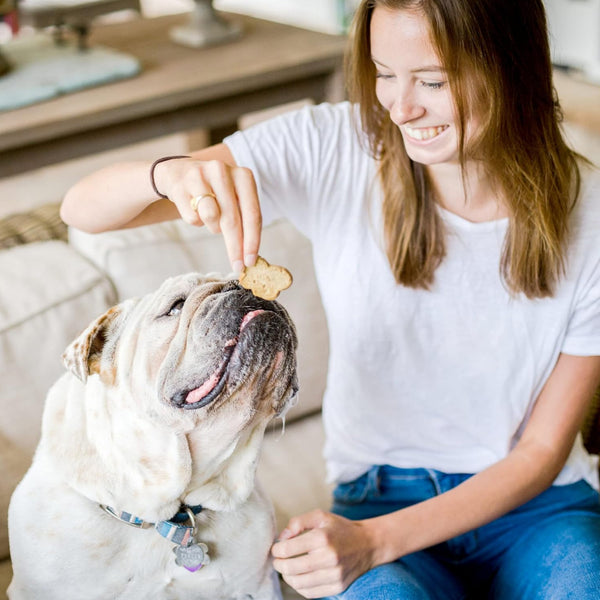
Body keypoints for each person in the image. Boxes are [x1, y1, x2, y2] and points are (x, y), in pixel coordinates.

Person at [61, 0, 600, 598]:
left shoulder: (592, 214)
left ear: (511, 67)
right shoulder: (333, 145)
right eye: (384, 72)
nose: (401, 106)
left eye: (431, 80)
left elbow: (543, 451)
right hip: (374, 494)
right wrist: (165, 174)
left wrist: (375, 543)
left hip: (538, 512)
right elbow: (81, 210)